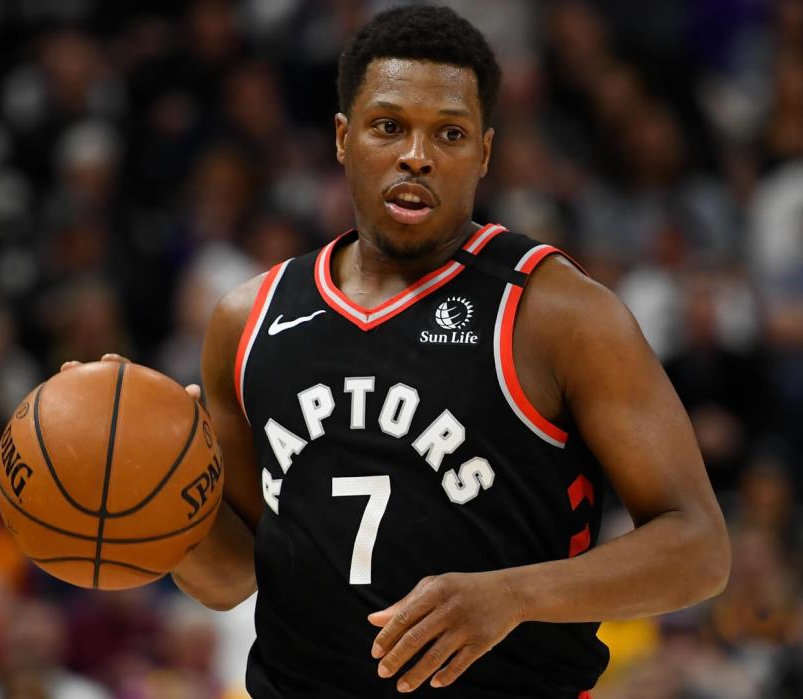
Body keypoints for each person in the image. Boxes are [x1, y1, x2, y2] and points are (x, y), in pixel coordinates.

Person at [64, 6, 729, 696]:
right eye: (389, 127)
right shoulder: (248, 321)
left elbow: (699, 549)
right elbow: (231, 577)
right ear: (344, 139)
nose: (418, 154)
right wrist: (154, 488)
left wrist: (512, 595)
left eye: (449, 133)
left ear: (485, 152)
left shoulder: (556, 313)